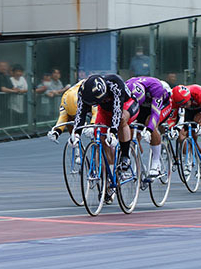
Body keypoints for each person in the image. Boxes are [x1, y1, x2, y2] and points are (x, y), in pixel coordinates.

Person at [72, 74, 140, 203]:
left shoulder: (115, 84)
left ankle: (125, 156)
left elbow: (117, 110)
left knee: (120, 120)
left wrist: (113, 132)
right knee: (101, 136)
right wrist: (76, 134)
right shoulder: (84, 90)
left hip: (127, 105)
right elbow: (81, 113)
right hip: (104, 110)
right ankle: (109, 178)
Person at [126, 77, 172, 177]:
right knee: (129, 129)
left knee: (149, 122)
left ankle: (156, 163)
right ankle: (139, 160)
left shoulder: (156, 88)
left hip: (161, 105)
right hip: (140, 106)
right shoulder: (127, 86)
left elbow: (155, 113)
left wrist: (149, 130)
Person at [168, 83, 201, 165]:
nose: (184, 106)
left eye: (185, 104)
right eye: (181, 106)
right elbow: (172, 118)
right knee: (184, 132)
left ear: (189, 98)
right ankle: (195, 153)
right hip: (191, 109)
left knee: (199, 120)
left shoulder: (198, 93)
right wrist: (172, 129)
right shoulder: (175, 100)